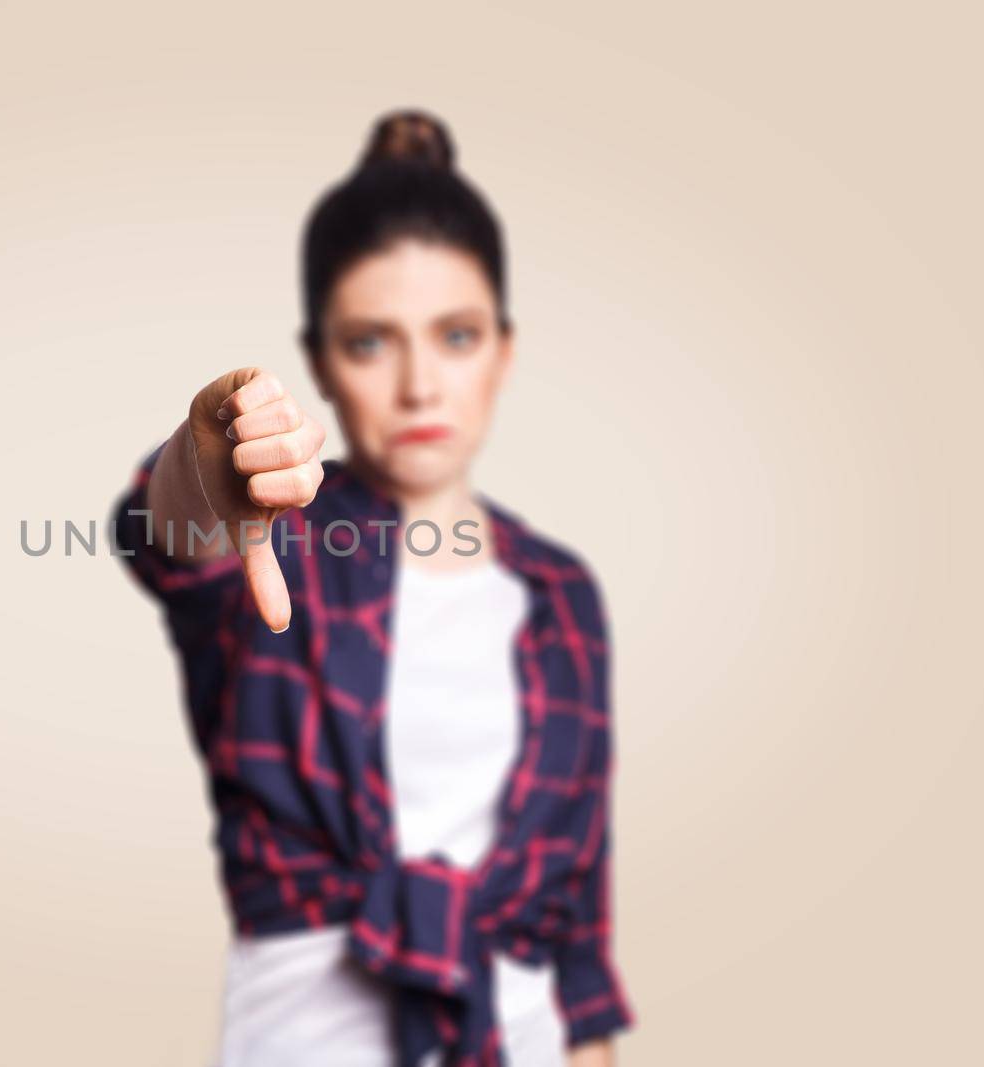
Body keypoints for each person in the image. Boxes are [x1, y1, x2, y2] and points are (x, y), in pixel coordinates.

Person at [110, 109, 635, 1067]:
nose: (421, 385)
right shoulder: (286, 542)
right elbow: (167, 533)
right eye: (370, 343)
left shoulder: (565, 596)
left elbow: (578, 933)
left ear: (505, 352)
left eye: (458, 335)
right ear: (318, 361)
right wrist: (208, 462)